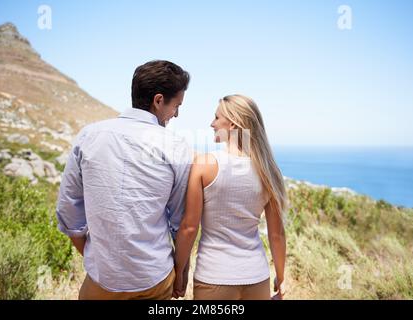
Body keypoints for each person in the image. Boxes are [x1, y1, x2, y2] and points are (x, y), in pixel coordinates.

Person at [56, 60, 192, 300]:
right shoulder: (176, 146)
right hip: (154, 280)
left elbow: (69, 212)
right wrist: (181, 272)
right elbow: (181, 224)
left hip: (101, 280)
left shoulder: (89, 135)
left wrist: (100, 259)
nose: (176, 114)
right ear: (158, 100)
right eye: (176, 105)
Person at [173, 94, 287, 300]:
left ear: (233, 124)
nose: (212, 123)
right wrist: (281, 276)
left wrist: (179, 271)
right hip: (257, 278)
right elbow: (277, 234)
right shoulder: (268, 171)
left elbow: (189, 227)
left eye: (217, 118)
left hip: (215, 277)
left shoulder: (204, 164)